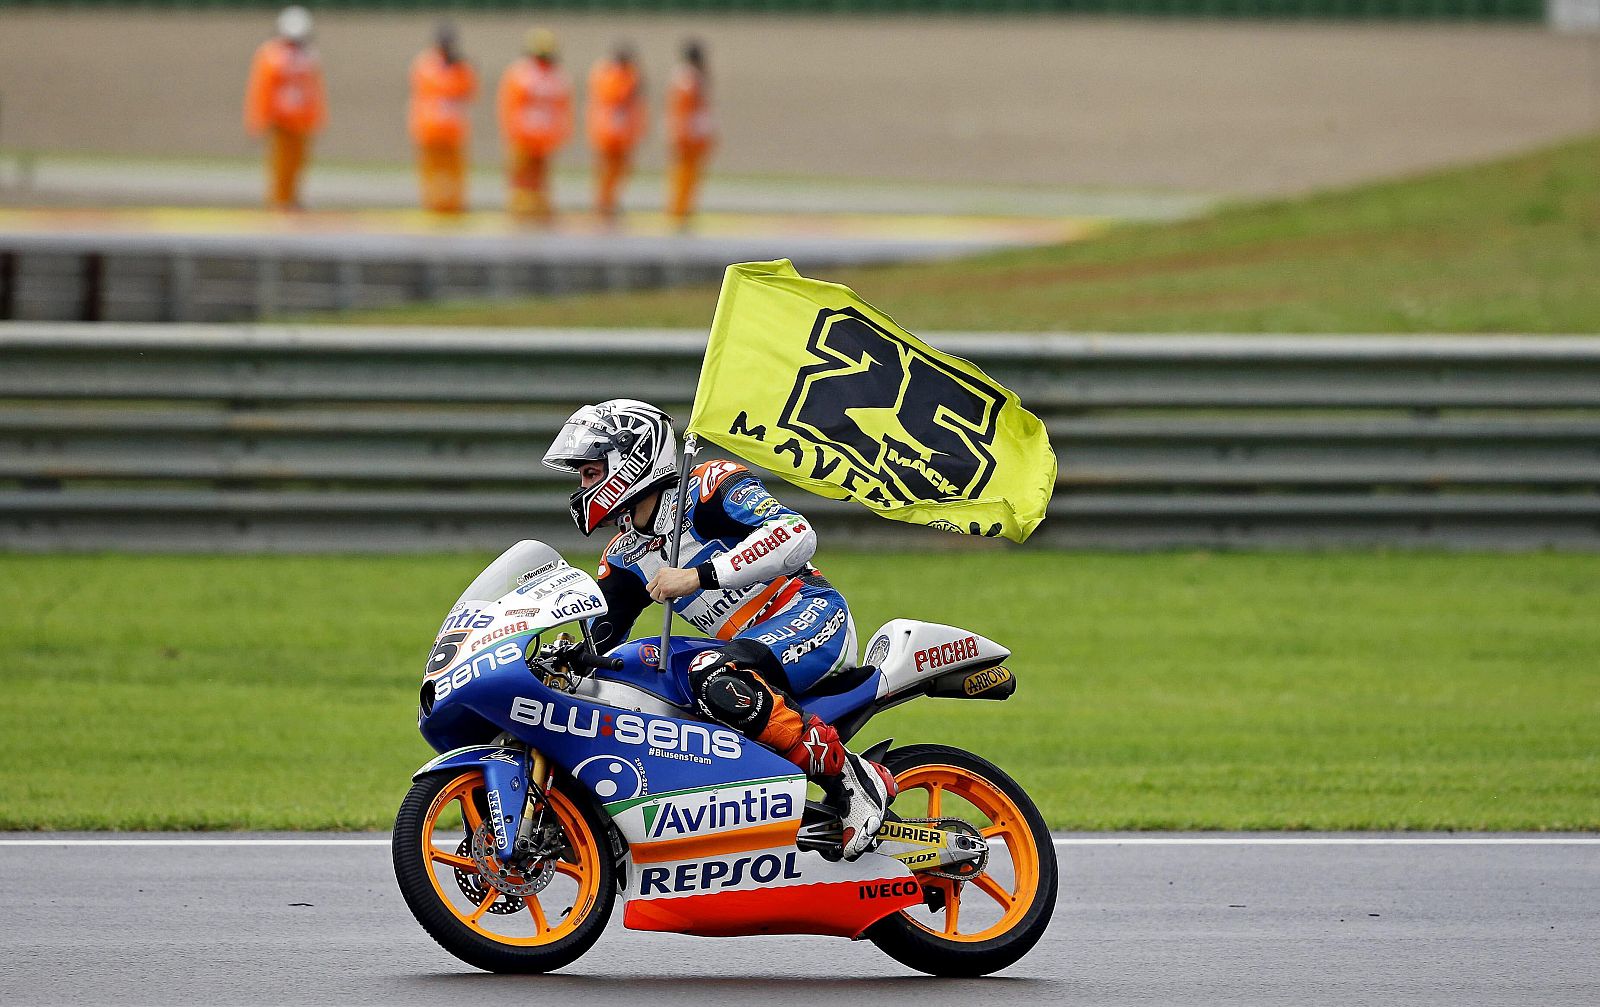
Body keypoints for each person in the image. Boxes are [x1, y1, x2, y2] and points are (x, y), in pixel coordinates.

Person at [542, 399, 898, 860]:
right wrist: (554, 656)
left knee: (711, 675)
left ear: (632, 460)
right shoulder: (625, 555)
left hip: (811, 615)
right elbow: (598, 638)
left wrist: (698, 576)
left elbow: (795, 533)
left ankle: (852, 776)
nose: (583, 487)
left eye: (591, 473)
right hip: (745, 652)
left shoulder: (709, 486)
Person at [243, 6, 326, 211]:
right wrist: (258, 119)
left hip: (301, 120)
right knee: (281, 165)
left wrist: (317, 116)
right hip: (281, 119)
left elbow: (314, 90)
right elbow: (261, 89)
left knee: (298, 164)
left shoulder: (309, 57)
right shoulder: (271, 55)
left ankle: (292, 199)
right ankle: (279, 202)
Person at [497, 28, 573, 223]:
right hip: (524, 135)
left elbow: (563, 106)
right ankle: (520, 209)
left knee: (540, 177)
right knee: (521, 178)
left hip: (544, 137)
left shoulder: (556, 76)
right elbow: (509, 104)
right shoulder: (521, 73)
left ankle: (539, 209)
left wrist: (560, 132)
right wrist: (512, 130)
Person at [408, 23, 477, 215]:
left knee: (454, 169)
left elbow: (469, 92)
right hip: (430, 127)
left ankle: (454, 204)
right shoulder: (426, 63)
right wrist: (453, 71)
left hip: (453, 129)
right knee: (432, 168)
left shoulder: (460, 67)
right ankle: (432, 204)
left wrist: (463, 70)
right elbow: (436, 86)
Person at [586, 45, 645, 222]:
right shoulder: (610, 75)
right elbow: (615, 96)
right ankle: (603, 203)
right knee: (607, 170)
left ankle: (610, 201)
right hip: (609, 131)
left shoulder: (627, 76)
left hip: (622, 133)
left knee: (621, 170)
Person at [666, 39, 715, 227]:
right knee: (684, 172)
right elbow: (685, 110)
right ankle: (678, 210)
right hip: (687, 134)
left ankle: (683, 208)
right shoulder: (687, 78)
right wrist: (682, 133)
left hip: (691, 132)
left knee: (690, 173)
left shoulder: (691, 77)